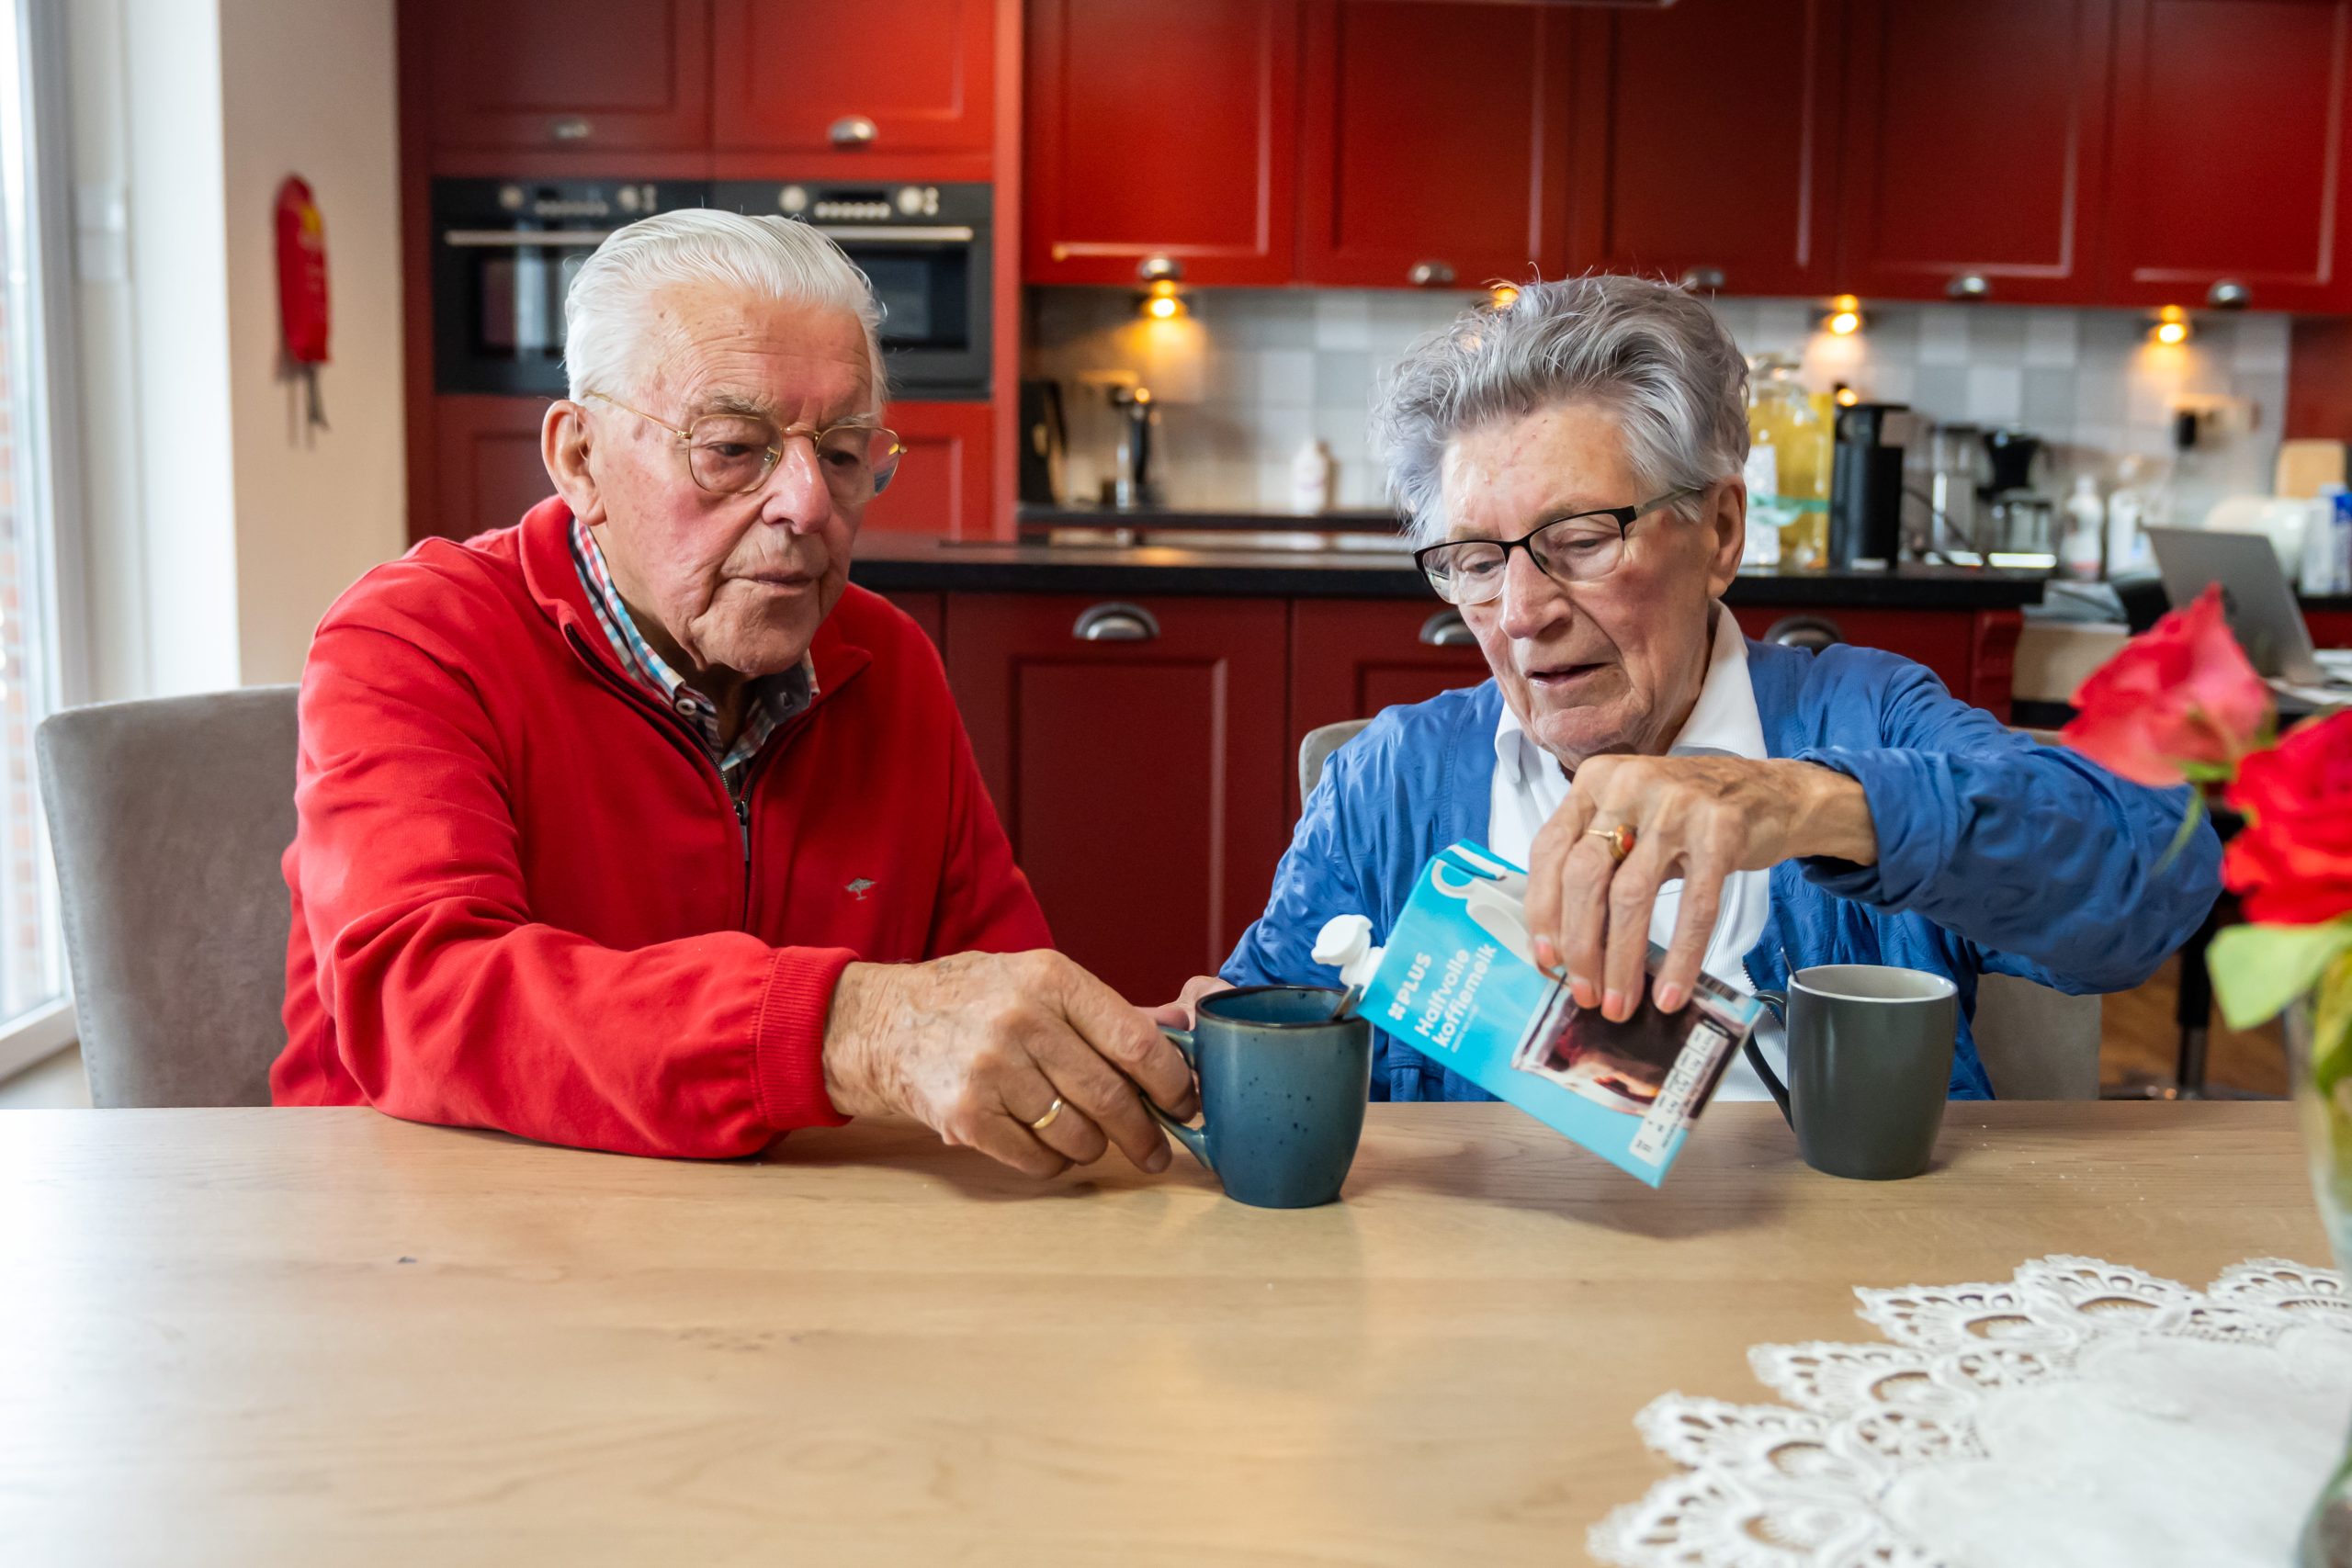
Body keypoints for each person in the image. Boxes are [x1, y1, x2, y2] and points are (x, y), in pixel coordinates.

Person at [275, 210, 1193, 1173]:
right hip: (439, 1253)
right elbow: (423, 1000)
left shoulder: (889, 662)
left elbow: (986, 993)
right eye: (732, 446)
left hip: (797, 1267)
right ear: (579, 458)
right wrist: (842, 1028)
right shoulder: (415, 641)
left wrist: (1120, 1053)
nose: (807, 504)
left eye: (841, 454)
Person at [1182, 275, 2220, 1101]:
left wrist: (1804, 804)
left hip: (1840, 1306)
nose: (1521, 609)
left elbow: (2154, 886)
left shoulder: (1860, 714)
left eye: (1581, 539)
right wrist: (1176, 1059)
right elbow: (1258, 1036)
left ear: (1720, 531)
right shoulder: (1391, 784)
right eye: (1473, 559)